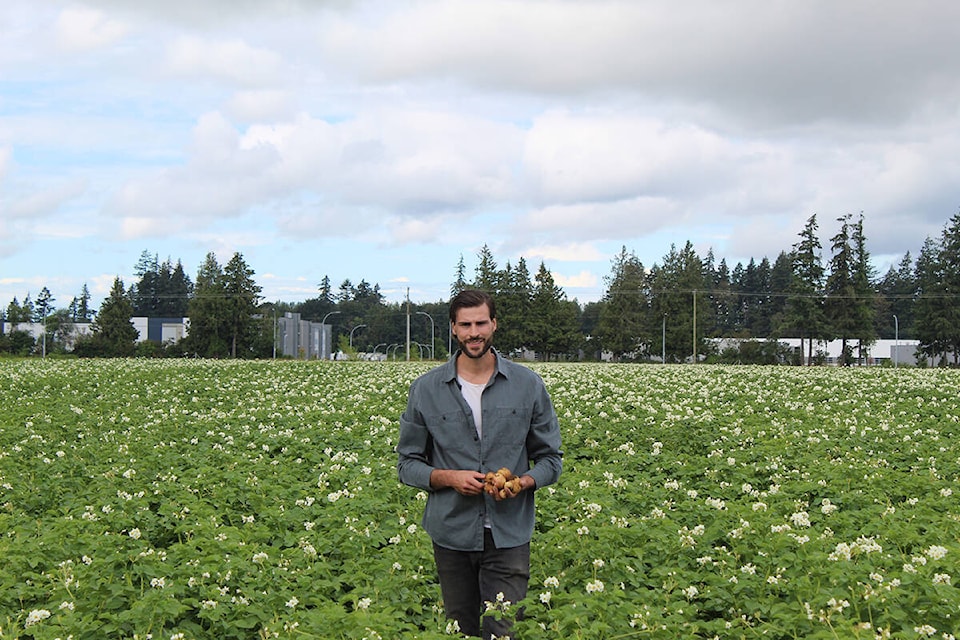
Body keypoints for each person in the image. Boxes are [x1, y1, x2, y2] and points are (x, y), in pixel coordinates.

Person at [397, 289, 563, 638]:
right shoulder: (426, 389)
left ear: (494, 324)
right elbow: (408, 465)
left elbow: (550, 460)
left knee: (502, 630)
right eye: (466, 325)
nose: (475, 332)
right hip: (452, 533)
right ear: (454, 329)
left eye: (481, 323)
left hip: (509, 534)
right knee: (462, 630)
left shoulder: (528, 385)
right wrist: (447, 477)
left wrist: (522, 483)